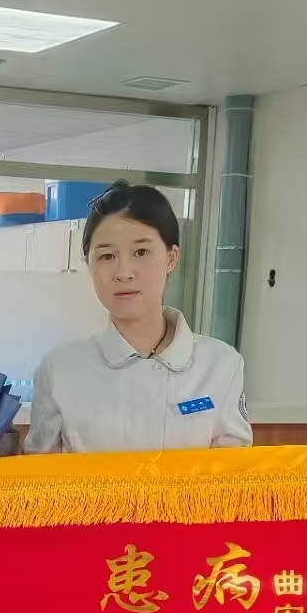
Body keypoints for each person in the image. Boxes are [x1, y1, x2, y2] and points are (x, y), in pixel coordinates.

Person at [26, 181, 253, 453]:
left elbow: (233, 472)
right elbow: (39, 473)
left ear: (171, 258)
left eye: (141, 252)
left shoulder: (220, 365)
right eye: (106, 256)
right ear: (88, 263)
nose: (124, 272)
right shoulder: (59, 370)